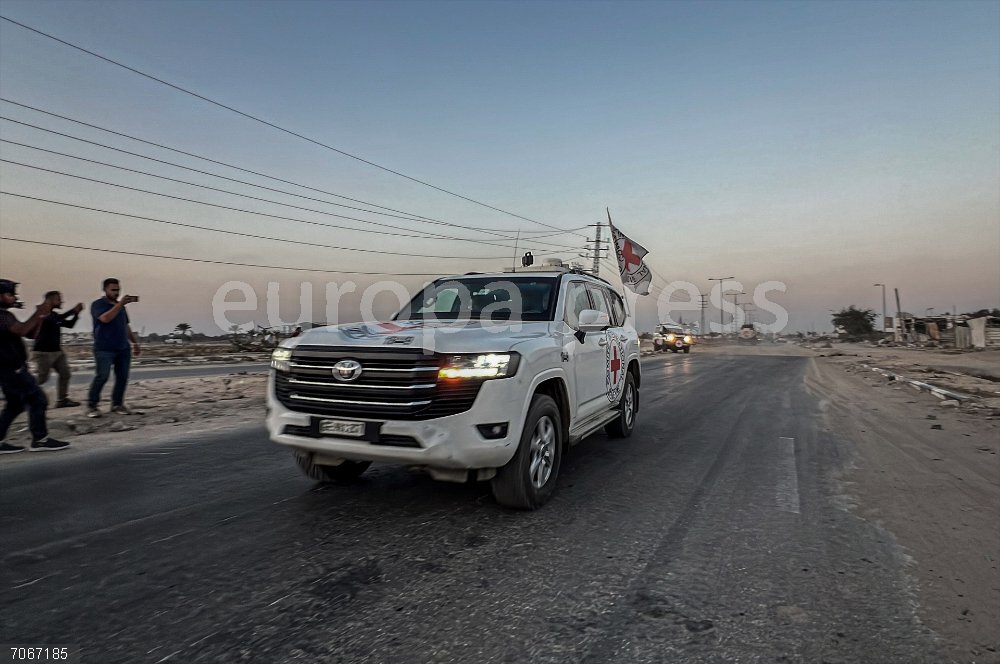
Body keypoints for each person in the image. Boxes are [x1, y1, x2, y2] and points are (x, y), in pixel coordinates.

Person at [0, 279, 71, 453]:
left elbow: (30, 334)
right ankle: (40, 440)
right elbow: (21, 330)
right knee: (38, 399)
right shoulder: (2, 316)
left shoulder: (5, 315)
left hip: (9, 367)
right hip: (11, 368)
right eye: (10, 294)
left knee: (15, 405)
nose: (14, 297)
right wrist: (39, 312)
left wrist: (40, 316)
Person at [87, 278, 141, 418]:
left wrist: (134, 343)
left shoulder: (121, 307)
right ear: (105, 290)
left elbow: (126, 325)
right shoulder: (98, 304)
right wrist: (120, 304)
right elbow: (105, 319)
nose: (116, 293)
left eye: (118, 290)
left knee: (122, 377)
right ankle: (92, 406)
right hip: (104, 348)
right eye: (113, 290)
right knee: (102, 376)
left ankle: (117, 404)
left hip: (123, 348)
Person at [33, 290, 84, 408]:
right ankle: (19, 392)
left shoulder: (55, 315)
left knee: (65, 374)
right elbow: (53, 320)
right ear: (50, 300)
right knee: (42, 378)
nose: (61, 301)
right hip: (43, 352)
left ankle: (62, 400)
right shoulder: (42, 313)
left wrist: (76, 314)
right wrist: (73, 310)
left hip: (57, 351)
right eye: (58, 299)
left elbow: (69, 324)